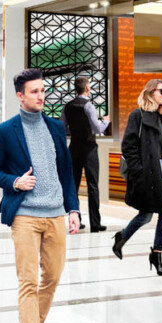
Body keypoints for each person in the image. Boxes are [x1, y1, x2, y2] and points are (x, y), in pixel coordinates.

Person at [0, 68, 78, 323]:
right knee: (28, 280)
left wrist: (73, 209)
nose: (41, 95)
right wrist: (15, 181)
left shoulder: (54, 127)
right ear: (20, 96)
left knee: (51, 276)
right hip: (24, 214)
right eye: (35, 91)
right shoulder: (5, 131)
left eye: (42, 90)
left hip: (55, 214)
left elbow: (66, 172)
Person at [114, 79, 162, 275]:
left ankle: (157, 255)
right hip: (148, 174)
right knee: (146, 215)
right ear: (151, 92)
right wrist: (139, 171)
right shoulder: (138, 115)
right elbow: (128, 146)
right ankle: (122, 237)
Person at [62, 74, 108, 232]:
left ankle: (76, 221)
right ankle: (95, 224)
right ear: (87, 87)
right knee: (92, 186)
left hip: (73, 148)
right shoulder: (88, 105)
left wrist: (75, 129)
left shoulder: (67, 106)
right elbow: (98, 128)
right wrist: (106, 121)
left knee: (73, 185)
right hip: (89, 149)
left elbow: (63, 128)